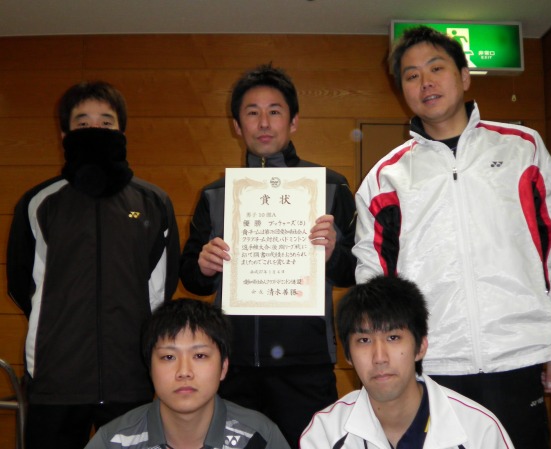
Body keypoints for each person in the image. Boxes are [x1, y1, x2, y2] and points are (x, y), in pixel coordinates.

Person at [352, 26, 551, 449]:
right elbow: (374, 282)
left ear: (463, 76)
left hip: (520, 353)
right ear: (402, 90)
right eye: (411, 75)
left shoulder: (522, 149)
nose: (425, 82)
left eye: (436, 68)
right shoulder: (386, 178)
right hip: (433, 364)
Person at [179, 63, 357, 447]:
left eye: (274, 111)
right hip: (233, 365)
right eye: (252, 112)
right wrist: (204, 266)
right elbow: (191, 279)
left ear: (293, 121)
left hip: (306, 364)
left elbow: (355, 272)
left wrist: (333, 253)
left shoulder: (330, 186)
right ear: (236, 125)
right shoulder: (216, 194)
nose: (263, 123)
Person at [6, 81, 181, 449]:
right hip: (56, 379)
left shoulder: (153, 202)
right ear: (64, 133)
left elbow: (159, 291)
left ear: (122, 131)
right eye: (83, 123)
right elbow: (22, 285)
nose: (95, 130)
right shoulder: (39, 202)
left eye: (106, 122)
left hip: (129, 377)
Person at [300, 275, 515, 449]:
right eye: (364, 340)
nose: (379, 357)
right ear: (347, 355)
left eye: (393, 337)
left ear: (420, 347)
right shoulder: (326, 433)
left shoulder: (479, 430)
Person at [85, 298, 290, 449]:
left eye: (200, 356)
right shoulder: (114, 441)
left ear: (223, 367)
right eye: (168, 357)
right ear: (150, 368)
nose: (184, 372)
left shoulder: (260, 437)